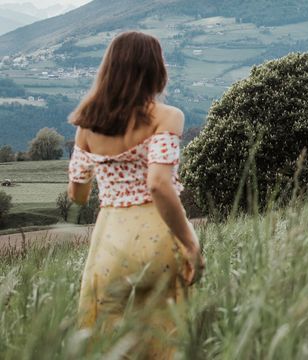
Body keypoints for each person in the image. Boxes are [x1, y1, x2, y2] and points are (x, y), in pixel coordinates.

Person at [67, 31, 204, 359]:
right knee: (164, 336)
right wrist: (190, 243)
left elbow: (78, 195)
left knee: (110, 340)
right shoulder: (166, 117)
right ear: (155, 68)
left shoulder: (86, 126)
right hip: (157, 237)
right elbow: (159, 184)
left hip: (109, 241)